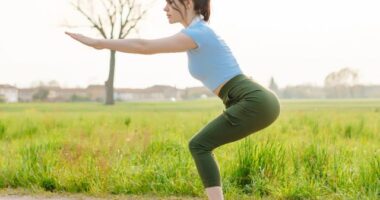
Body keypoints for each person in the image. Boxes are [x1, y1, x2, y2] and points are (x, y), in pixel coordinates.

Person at [65, 0, 280, 199]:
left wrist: (99, 43)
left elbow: (144, 47)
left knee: (199, 145)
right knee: (201, 145)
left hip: (254, 101)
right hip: (250, 99)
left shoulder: (199, 33)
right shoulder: (196, 33)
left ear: (187, 3)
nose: (164, 8)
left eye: (170, 2)